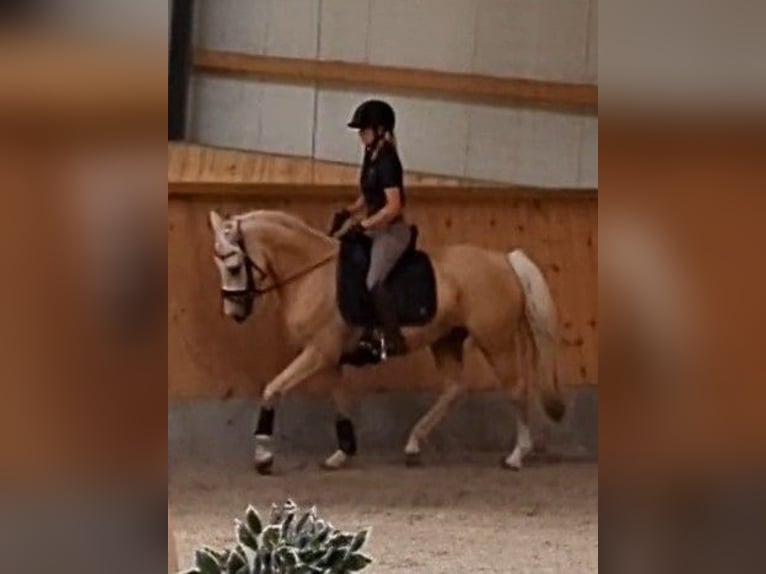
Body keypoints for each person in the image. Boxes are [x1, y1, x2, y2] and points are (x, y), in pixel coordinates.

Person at [330, 99, 410, 358]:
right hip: (375, 228)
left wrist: (363, 225)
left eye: (364, 130)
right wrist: (349, 213)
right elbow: (368, 196)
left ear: (380, 130)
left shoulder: (387, 161)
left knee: (373, 280)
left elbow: (393, 206)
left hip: (391, 232)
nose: (361, 135)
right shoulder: (371, 156)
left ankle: (390, 338)